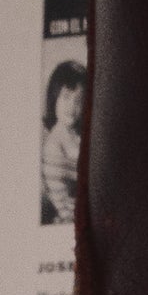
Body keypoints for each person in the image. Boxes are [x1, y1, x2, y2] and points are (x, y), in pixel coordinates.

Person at [41, 58, 85, 223]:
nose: (72, 107)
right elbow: (66, 208)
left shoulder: (78, 135)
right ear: (55, 97)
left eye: (79, 100)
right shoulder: (54, 146)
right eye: (66, 97)